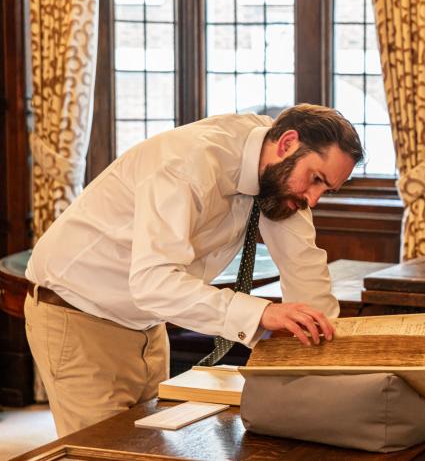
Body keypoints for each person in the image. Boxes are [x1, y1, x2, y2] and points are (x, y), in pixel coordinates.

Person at [24, 103, 365, 435]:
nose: (314, 198)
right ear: (288, 143)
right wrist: (261, 314)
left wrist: (336, 357)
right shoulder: (186, 165)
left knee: (148, 446)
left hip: (147, 321)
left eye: (326, 189)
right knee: (99, 450)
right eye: (316, 179)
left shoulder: (277, 170)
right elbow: (152, 282)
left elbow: (303, 265)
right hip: (77, 314)